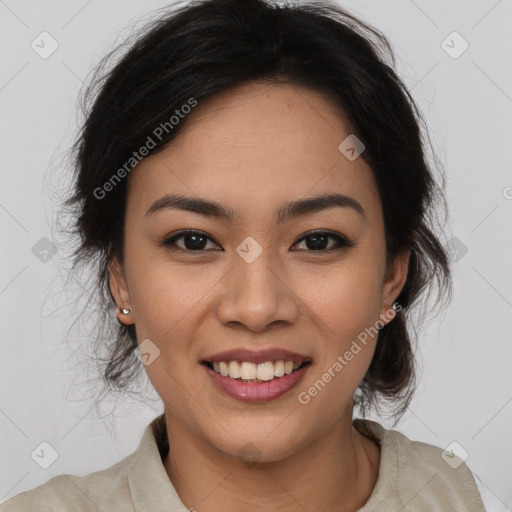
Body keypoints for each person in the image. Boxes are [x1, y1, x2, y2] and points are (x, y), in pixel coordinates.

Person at [1, 0, 487, 510]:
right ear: (119, 277)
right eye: (193, 241)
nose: (256, 308)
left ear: (393, 273)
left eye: (317, 241)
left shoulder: (468, 499)